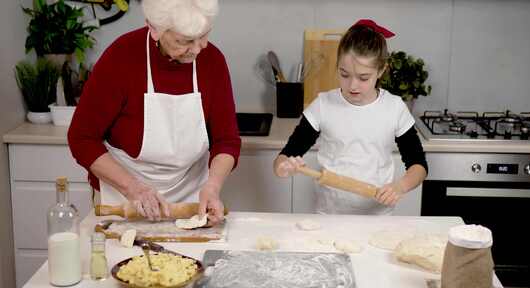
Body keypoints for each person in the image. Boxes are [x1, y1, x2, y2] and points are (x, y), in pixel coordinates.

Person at [68, 0, 240, 225]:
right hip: (124, 200)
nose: (198, 48)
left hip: (190, 202)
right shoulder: (122, 57)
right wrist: (133, 188)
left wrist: (213, 186)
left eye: (204, 35)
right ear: (154, 29)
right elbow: (82, 138)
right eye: (185, 41)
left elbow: (226, 140)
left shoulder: (212, 61)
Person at [273, 19, 427, 215]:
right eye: (344, 74)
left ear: (381, 70)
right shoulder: (323, 105)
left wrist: (400, 187)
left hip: (378, 218)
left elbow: (419, 165)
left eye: (363, 78)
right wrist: (284, 167)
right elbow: (285, 156)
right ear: (337, 66)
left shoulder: (394, 108)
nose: (353, 85)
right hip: (330, 217)